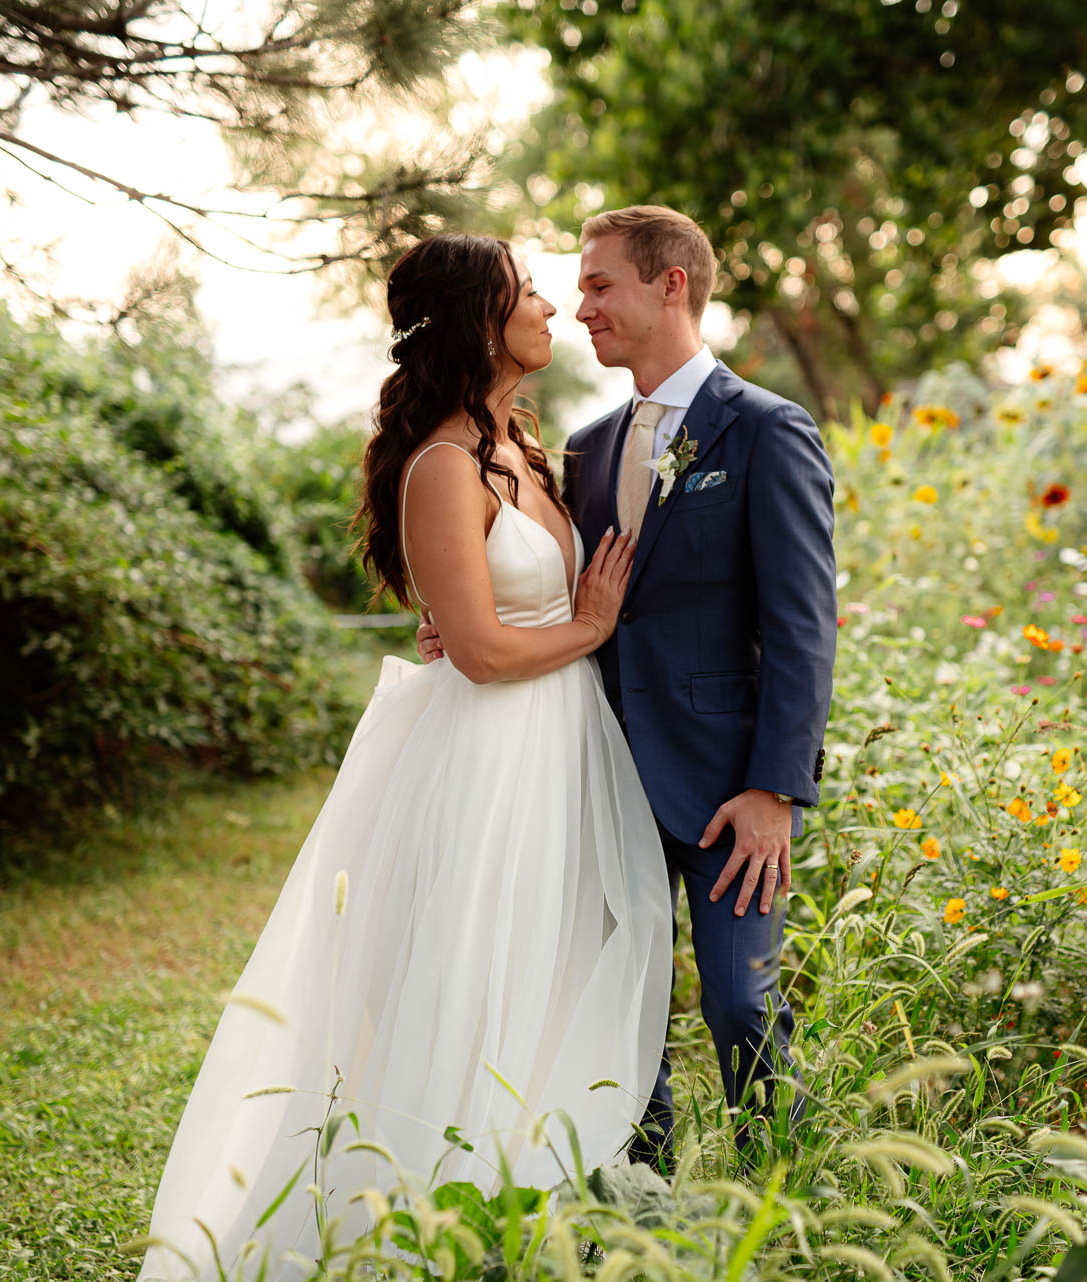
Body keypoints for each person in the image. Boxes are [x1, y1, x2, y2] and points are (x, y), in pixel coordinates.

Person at [136, 234, 672, 1282]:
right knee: (470, 978)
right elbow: (475, 648)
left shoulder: (523, 443)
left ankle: (535, 1218)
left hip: (561, 750)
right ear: (481, 321)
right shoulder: (439, 462)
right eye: (527, 295)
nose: (552, 309)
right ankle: (427, 1228)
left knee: (548, 975)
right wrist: (591, 626)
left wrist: (575, 629)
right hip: (489, 759)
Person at [416, 206, 838, 1166]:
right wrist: (460, 618)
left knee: (741, 1000)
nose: (582, 305)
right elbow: (554, 583)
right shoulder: (588, 447)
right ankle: (632, 1203)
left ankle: (785, 1191)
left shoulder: (769, 430)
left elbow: (805, 625)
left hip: (732, 788)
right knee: (618, 1003)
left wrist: (776, 789)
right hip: (595, 773)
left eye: (601, 284)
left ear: (671, 285)